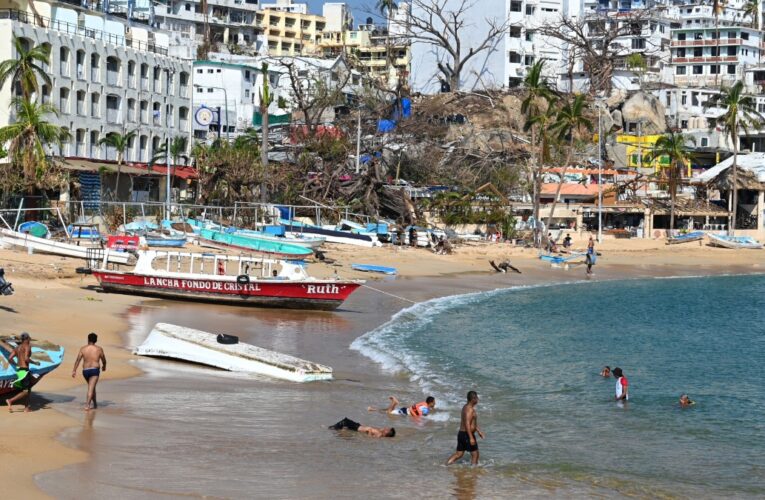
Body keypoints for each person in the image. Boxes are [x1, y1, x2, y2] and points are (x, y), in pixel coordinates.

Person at [446, 391, 484, 466]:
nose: (478, 399)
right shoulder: (470, 410)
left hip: (462, 434)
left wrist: (478, 431)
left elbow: (471, 423)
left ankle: (445, 465)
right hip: (467, 435)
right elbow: (467, 423)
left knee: (459, 454)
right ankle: (473, 471)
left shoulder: (465, 407)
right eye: (476, 398)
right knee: (475, 454)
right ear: (473, 399)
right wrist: (471, 438)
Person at [71, 332, 107, 411]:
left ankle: (95, 404)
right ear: (96, 340)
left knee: (92, 387)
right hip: (94, 370)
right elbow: (104, 360)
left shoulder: (83, 349)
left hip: (85, 371)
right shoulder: (99, 349)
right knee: (91, 388)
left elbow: (78, 360)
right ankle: (87, 405)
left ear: (88, 339)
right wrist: (104, 366)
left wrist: (74, 370)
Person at [5, 333, 38, 412]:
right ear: (26, 339)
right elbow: (26, 358)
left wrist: (16, 364)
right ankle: (10, 401)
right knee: (26, 391)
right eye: (29, 338)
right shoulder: (27, 346)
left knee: (28, 389)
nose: (30, 339)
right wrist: (34, 362)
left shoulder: (17, 347)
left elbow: (10, 358)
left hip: (19, 370)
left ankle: (26, 408)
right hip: (24, 371)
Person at [369, 395, 436, 417]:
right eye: (434, 402)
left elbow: (416, 407)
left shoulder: (424, 403)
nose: (435, 404)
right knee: (389, 412)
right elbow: (419, 416)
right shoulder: (425, 408)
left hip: (405, 410)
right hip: (404, 413)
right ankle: (394, 402)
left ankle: (372, 409)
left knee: (387, 411)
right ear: (430, 403)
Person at [329, 417, 395, 438]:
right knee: (344, 424)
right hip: (358, 426)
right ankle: (334, 428)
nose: (386, 428)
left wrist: (369, 431)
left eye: (388, 429)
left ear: (387, 433)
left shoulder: (379, 434)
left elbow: (371, 437)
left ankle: (331, 428)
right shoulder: (380, 431)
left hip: (358, 428)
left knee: (345, 421)